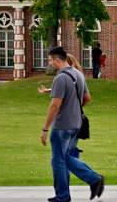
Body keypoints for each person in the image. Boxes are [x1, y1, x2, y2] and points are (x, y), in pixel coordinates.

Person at [39, 46, 104, 202]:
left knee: (58, 160)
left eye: (50, 60)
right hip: (76, 124)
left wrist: (45, 128)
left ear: (57, 60)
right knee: (65, 157)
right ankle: (64, 194)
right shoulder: (78, 75)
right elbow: (87, 98)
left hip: (62, 126)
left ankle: (91, 181)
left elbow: (55, 106)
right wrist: (74, 109)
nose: (50, 64)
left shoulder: (60, 78)